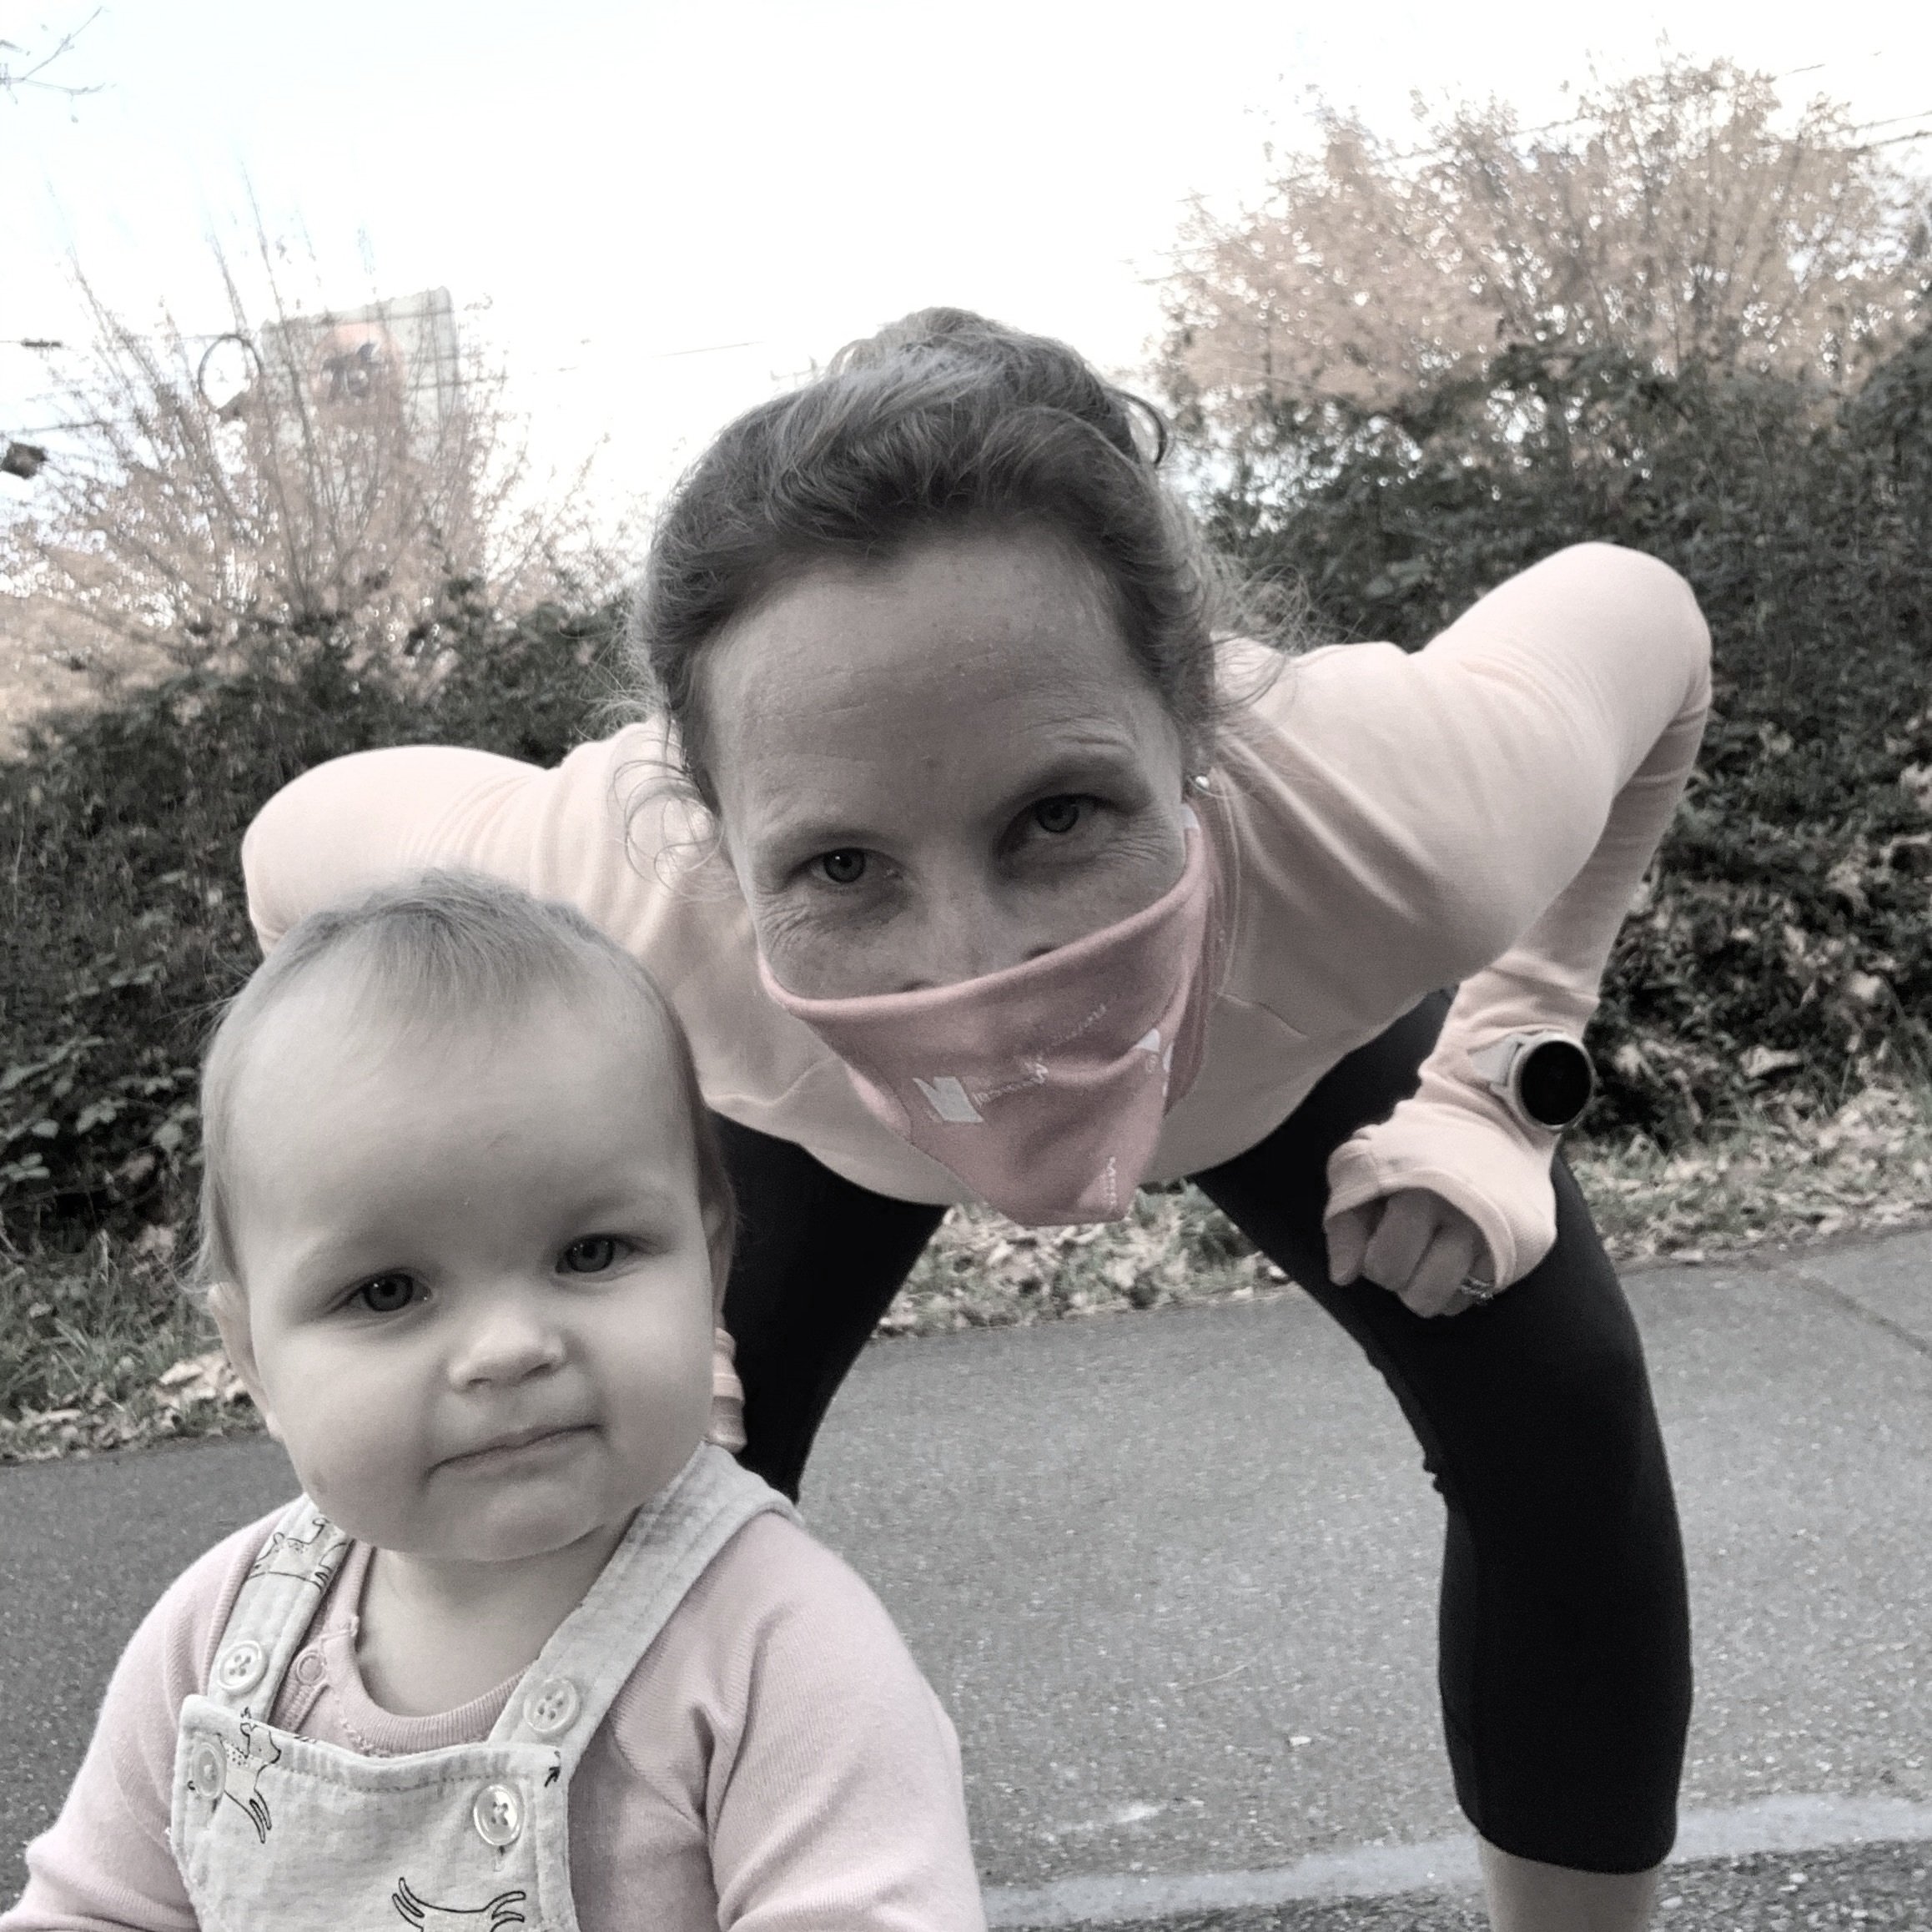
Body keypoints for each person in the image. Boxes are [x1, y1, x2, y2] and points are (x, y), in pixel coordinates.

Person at [236, 309, 1711, 1932]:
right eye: (842, 865)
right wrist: (581, 1228)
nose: (982, 972)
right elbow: (297, 849)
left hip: (1264, 1033)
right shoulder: (621, 892)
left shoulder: (1395, 803)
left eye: (1060, 815)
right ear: (710, 836)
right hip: (803, 1111)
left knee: (1560, 1413)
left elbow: (1651, 624)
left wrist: (1504, 1078)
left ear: (1202, 732)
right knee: (615, 1508)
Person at [3, 873, 984, 1932]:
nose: (511, 1348)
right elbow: (95, 1909)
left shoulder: (783, 1654)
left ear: (712, 1260)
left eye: (590, 1252)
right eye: (387, 1291)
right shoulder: (219, 1642)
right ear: (252, 1358)